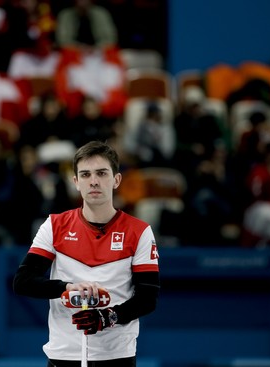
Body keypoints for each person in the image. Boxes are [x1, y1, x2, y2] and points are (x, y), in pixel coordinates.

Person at [13, 140, 160, 366]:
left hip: (116, 356)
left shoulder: (139, 231)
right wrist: (66, 288)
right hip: (63, 354)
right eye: (85, 175)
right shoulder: (54, 225)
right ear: (76, 182)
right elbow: (23, 281)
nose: (93, 181)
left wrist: (106, 317)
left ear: (116, 180)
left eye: (101, 173)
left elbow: (147, 298)